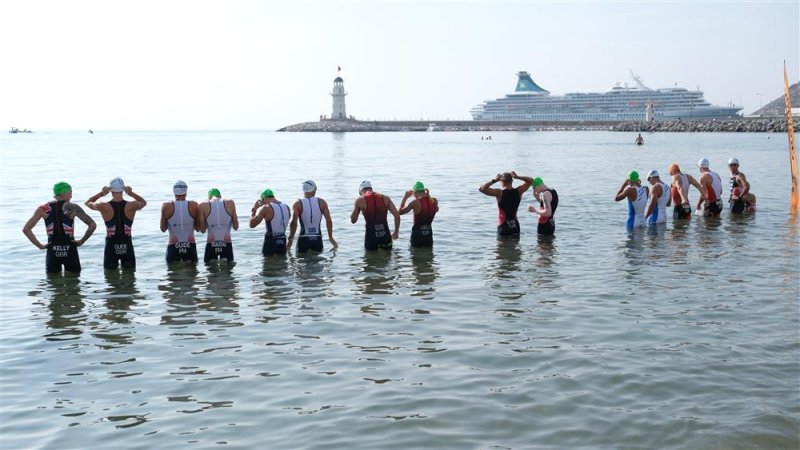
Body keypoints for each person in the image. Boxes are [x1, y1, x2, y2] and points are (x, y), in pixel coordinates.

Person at [23, 181, 96, 273]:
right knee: (74, 283)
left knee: (54, 283)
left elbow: (26, 229)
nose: (71, 196)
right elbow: (92, 225)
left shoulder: (43, 209)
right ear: (64, 193)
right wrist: (82, 241)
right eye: (70, 192)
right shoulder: (73, 208)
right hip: (70, 250)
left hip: (52, 252)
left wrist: (40, 246)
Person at [84, 177, 147, 269]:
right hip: (127, 244)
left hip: (111, 246)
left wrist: (102, 193)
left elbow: (87, 202)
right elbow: (143, 202)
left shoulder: (102, 206)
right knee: (130, 278)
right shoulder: (132, 205)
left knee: (111, 279)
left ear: (110, 190)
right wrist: (131, 193)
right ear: (123, 189)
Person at [479, 171, 534, 236]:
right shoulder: (519, 191)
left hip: (503, 227)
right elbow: (531, 181)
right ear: (512, 181)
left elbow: (481, 189)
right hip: (515, 227)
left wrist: (495, 180)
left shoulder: (499, 193)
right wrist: (517, 177)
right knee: (515, 245)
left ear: (502, 182)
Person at [287, 180, 337, 252]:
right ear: (315, 189)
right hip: (317, 239)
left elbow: (293, 223)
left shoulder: (298, 203)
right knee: (317, 261)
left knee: (302, 261)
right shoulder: (322, 202)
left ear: (303, 189)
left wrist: (290, 239)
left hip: (303, 239)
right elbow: (329, 221)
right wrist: (330, 237)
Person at [350, 180, 400, 250]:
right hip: (385, 236)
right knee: (387, 258)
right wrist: (396, 232)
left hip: (371, 237)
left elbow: (353, 220)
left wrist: (355, 209)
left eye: (360, 193)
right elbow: (397, 216)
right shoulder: (385, 198)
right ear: (370, 188)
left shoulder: (359, 200)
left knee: (371, 260)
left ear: (362, 190)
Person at [160, 180, 202, 263]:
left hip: (173, 247)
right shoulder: (194, 205)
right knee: (192, 274)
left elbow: (163, 229)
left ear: (174, 192)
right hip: (190, 246)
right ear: (186, 192)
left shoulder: (166, 205)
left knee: (173, 273)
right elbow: (198, 228)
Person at [198, 188, 239, 263]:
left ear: (209, 197)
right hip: (227, 243)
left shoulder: (203, 205)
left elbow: (203, 230)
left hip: (211, 243)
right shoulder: (230, 203)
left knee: (211, 271)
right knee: (227, 272)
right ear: (220, 196)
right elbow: (236, 227)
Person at [250, 189, 291, 256]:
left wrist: (254, 209)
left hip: (271, 243)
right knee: (283, 265)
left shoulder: (266, 208)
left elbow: (252, 224)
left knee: (268, 265)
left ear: (264, 199)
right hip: (283, 241)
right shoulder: (287, 207)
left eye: (262, 202)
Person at [399, 181, 439, 247]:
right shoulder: (434, 200)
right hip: (428, 237)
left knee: (416, 256)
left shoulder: (415, 202)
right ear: (424, 191)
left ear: (415, 193)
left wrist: (405, 197)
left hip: (417, 237)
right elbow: (436, 209)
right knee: (428, 256)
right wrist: (428, 196)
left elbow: (400, 212)